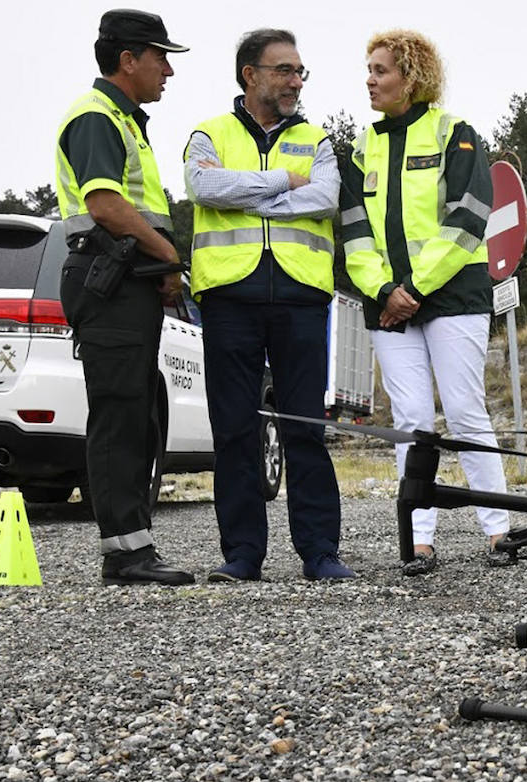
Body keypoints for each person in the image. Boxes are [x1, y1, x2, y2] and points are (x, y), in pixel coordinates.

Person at [183, 29, 355, 581]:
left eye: (300, 71)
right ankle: (242, 555)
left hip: (302, 297)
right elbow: (201, 188)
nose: (295, 81)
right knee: (234, 428)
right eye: (284, 70)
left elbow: (324, 197)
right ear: (249, 74)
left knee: (304, 425)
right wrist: (283, 181)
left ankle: (320, 552)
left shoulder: (319, 140)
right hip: (229, 296)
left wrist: (249, 195)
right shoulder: (207, 134)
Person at [340, 29, 509, 577]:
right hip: (389, 304)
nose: (370, 78)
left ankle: (499, 528)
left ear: (411, 78)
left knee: (464, 411)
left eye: (381, 70)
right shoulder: (360, 148)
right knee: (412, 419)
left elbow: (468, 217)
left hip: (453, 294)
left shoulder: (454, 133)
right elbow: (353, 231)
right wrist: (385, 291)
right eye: (368, 69)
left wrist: (412, 288)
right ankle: (419, 540)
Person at [54, 9, 193, 586]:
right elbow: (106, 205)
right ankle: (125, 555)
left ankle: (133, 547)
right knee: (118, 416)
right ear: (128, 60)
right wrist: (165, 253)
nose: (168, 71)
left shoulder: (125, 120)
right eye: (160, 57)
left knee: (133, 413)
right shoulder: (96, 117)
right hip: (107, 281)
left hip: (124, 282)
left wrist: (156, 264)